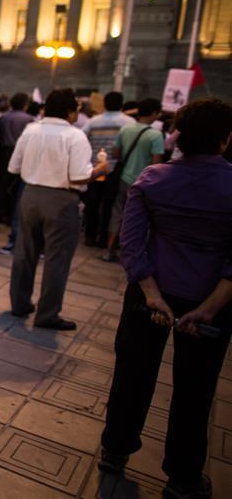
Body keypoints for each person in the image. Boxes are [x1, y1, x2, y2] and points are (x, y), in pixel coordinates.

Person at [99, 99, 232, 498]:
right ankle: (183, 475)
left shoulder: (154, 179)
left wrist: (153, 296)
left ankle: (116, 450)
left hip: (149, 297)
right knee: (196, 389)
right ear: (225, 141)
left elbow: (132, 244)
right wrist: (208, 308)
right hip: (212, 302)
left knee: (132, 376)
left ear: (179, 135)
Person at [7, 89, 109, 330]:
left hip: (30, 194)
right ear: (70, 111)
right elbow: (79, 175)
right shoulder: (75, 136)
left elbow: (14, 166)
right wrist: (101, 170)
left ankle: (19, 303)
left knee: (25, 252)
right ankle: (47, 314)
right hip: (62, 200)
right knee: (57, 258)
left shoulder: (31, 130)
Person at [103, 98, 164, 262]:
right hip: (143, 182)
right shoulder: (155, 135)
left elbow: (115, 153)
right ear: (153, 113)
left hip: (123, 178)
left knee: (117, 212)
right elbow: (157, 163)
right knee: (136, 218)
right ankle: (128, 253)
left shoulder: (126, 129)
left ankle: (108, 249)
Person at [82, 91, 136, 248]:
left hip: (94, 168)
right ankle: (104, 238)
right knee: (110, 205)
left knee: (92, 203)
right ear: (121, 104)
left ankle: (90, 235)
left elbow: (82, 138)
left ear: (104, 103)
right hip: (116, 170)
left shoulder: (93, 121)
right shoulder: (129, 122)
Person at [0, 93, 33, 224]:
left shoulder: (3, 117)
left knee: (1, 184)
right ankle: (10, 215)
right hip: (20, 153)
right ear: (25, 105)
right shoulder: (29, 119)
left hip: (3, 152)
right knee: (15, 186)